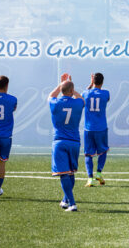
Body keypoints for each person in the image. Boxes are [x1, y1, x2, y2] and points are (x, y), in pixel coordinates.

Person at [48, 73, 85, 212]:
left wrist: (61, 84)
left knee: (64, 174)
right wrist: (71, 86)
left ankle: (72, 203)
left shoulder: (56, 103)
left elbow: (50, 96)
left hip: (60, 141)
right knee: (70, 173)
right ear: (71, 91)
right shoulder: (77, 103)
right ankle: (65, 200)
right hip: (74, 142)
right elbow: (82, 99)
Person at [82, 73, 110, 187]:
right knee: (103, 151)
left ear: (93, 81)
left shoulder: (86, 93)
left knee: (88, 154)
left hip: (88, 128)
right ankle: (98, 173)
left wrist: (90, 84)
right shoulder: (106, 93)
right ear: (102, 82)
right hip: (101, 128)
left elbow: (84, 94)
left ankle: (90, 178)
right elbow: (106, 99)